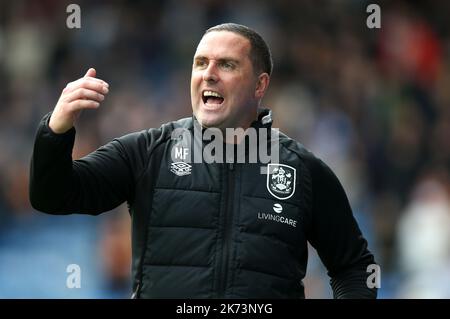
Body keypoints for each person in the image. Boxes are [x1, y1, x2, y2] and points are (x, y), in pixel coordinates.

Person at [29, 23, 377, 298]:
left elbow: (354, 268)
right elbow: (53, 195)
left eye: (226, 64)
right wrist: (56, 129)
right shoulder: (148, 153)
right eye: (200, 63)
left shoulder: (303, 171)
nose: (209, 74)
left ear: (260, 85)